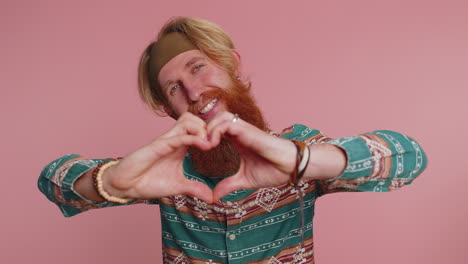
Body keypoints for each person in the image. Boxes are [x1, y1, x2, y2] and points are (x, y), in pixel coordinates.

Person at [38, 17, 428, 264]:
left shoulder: (297, 149)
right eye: (174, 87)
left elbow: (408, 157)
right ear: (167, 110)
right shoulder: (161, 170)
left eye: (199, 67)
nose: (194, 92)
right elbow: (53, 179)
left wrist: (302, 161)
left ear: (232, 66)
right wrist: (109, 183)